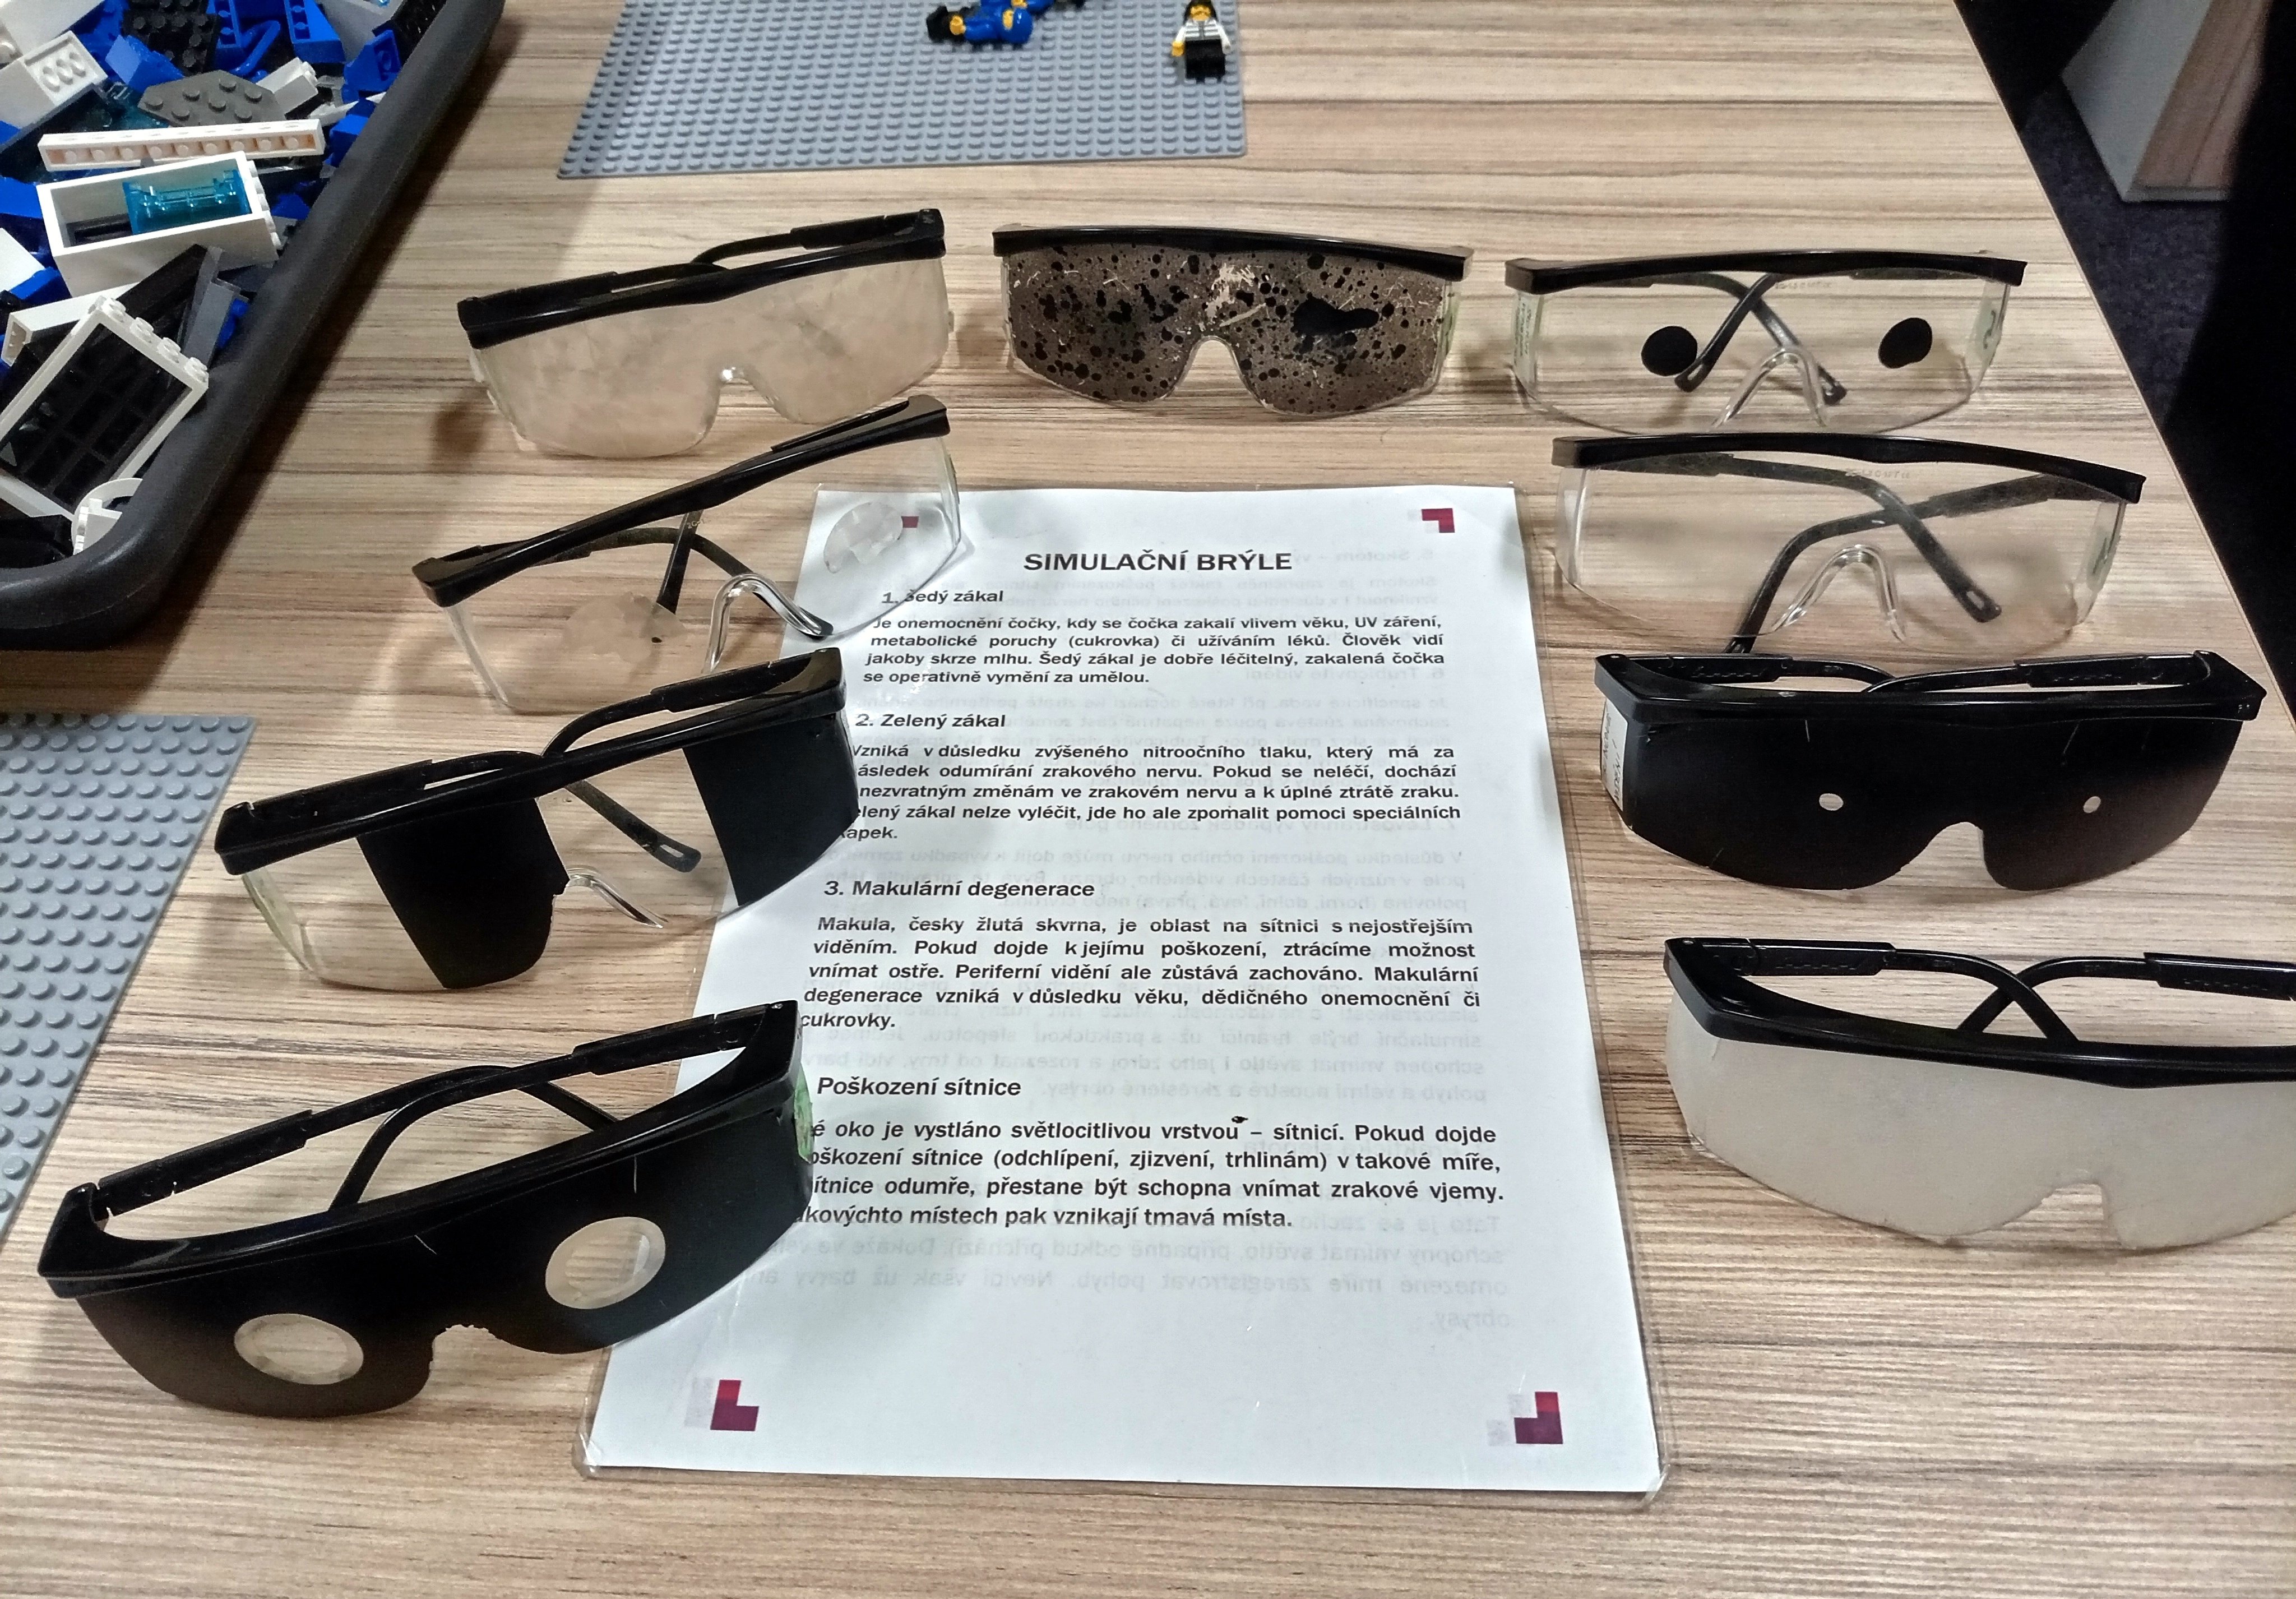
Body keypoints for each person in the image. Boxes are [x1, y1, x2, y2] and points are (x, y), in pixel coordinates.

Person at [1170, 0, 1230, 81]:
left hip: (1213, 44)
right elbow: (1182, 34)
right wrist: (1178, 45)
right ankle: (1195, 74)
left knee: (1217, 59)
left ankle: (1218, 72)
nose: (1201, 10)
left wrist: (1226, 44)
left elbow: (1222, 33)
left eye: (1205, 8)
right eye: (1196, 8)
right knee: (1193, 62)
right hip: (1193, 46)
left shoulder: (1214, 23)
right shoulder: (1188, 24)